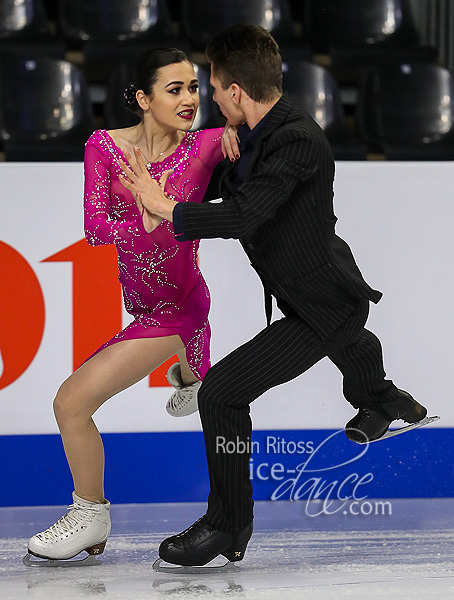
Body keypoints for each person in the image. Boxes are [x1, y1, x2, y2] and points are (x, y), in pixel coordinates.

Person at [119, 25, 428, 568]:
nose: (210, 97)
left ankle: (226, 525)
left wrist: (165, 208)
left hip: (322, 301)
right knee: (349, 341)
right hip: (311, 294)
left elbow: (244, 215)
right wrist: (214, 158)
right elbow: (222, 185)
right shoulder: (256, 132)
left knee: (220, 394)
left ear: (237, 90)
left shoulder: (297, 139)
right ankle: (383, 399)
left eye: (215, 87)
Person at [24, 47, 238, 565]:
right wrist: (139, 223)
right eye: (175, 89)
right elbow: (95, 229)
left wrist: (240, 134)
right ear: (143, 99)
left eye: (193, 88)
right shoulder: (104, 147)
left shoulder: (208, 145)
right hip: (143, 304)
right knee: (86, 400)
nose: (190, 99)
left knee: (70, 401)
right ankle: (193, 368)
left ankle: (90, 514)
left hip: (180, 303)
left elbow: (259, 137)